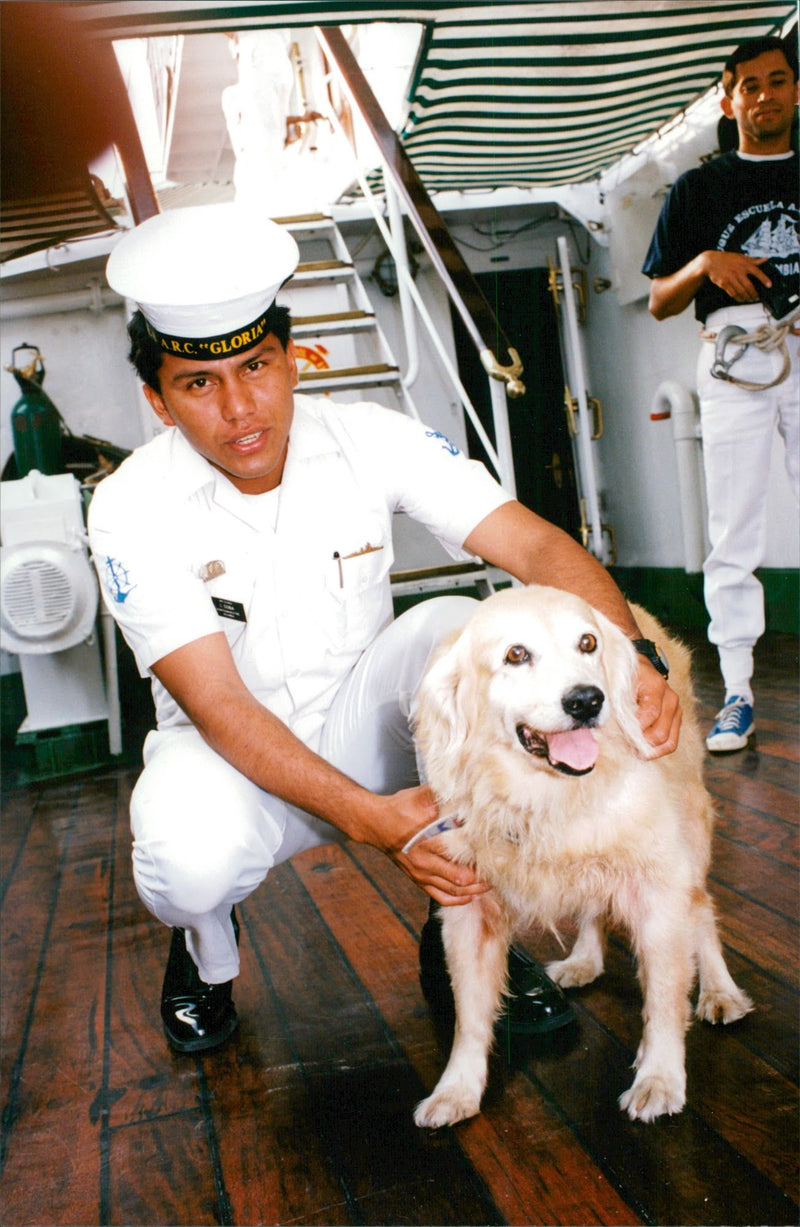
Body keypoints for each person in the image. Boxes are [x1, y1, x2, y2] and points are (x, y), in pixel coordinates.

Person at [89, 202, 680, 1054]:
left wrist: (639, 659)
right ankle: (205, 954)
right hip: (230, 761)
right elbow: (218, 706)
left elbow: (536, 544)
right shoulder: (129, 506)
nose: (240, 406)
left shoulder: (369, 436)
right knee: (185, 865)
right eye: (198, 384)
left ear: (295, 360)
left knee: (457, 631)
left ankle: (474, 940)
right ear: (157, 399)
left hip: (365, 723)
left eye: (258, 366)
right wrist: (376, 821)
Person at [643, 35, 799, 753]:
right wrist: (706, 261)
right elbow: (657, 302)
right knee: (732, 533)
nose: (764, 96)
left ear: (796, 92)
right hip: (735, 362)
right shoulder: (698, 190)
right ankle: (737, 690)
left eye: (778, 82)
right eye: (750, 86)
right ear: (729, 99)